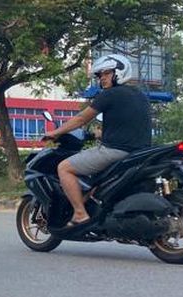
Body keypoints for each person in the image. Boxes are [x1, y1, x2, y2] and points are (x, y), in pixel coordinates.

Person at [42, 54, 152, 227]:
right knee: (96, 177)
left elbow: (80, 119)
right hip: (139, 153)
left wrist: (56, 132)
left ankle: (79, 214)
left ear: (119, 72)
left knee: (64, 168)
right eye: (100, 75)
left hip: (115, 152)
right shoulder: (140, 96)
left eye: (106, 74)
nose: (102, 79)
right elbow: (127, 125)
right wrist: (99, 134)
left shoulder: (110, 95)